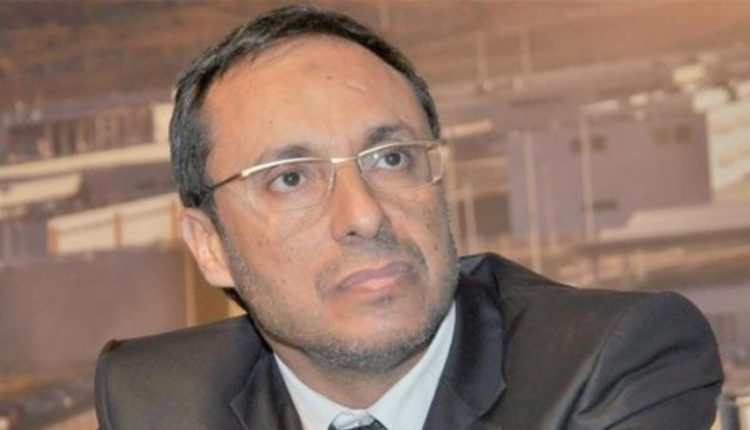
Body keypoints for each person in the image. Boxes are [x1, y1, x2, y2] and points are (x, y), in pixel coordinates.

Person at [94, 4, 723, 429]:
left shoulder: (610, 362)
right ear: (210, 247)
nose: (365, 214)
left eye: (391, 158)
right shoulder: (156, 399)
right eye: (291, 178)